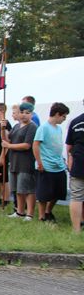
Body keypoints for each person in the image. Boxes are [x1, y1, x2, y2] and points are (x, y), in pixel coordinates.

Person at [33, 102, 69, 223]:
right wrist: (39, 163)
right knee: (44, 194)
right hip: (46, 166)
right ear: (58, 114)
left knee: (59, 192)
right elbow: (35, 145)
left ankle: (49, 211)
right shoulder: (43, 128)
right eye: (64, 116)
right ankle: (42, 216)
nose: (64, 119)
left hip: (58, 166)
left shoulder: (58, 129)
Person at [4, 102, 39, 221]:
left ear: (32, 114)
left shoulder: (32, 127)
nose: (24, 115)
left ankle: (29, 214)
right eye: (22, 112)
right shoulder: (16, 126)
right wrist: (2, 129)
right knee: (18, 189)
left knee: (28, 189)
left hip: (26, 162)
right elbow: (7, 139)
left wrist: (9, 145)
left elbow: (27, 145)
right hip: (14, 161)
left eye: (27, 113)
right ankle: (19, 211)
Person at [66, 99, 84, 233]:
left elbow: (69, 146)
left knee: (76, 197)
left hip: (78, 164)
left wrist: (69, 160)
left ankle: (76, 229)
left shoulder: (75, 121)